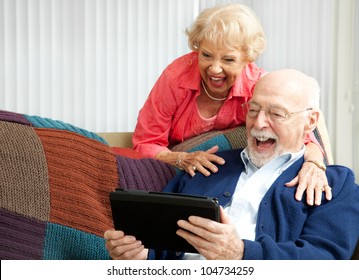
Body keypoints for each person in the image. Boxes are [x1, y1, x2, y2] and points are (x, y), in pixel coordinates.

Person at [105, 69, 359, 260]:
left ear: (310, 121)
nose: (259, 123)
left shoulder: (335, 184)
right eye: (253, 110)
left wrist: (241, 253)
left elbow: (326, 260)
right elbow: (159, 243)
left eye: (276, 114)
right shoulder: (208, 166)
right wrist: (139, 255)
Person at [131, 3, 331, 205]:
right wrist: (182, 159)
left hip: (226, 173)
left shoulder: (258, 84)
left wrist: (315, 163)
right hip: (179, 167)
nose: (214, 69)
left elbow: (303, 135)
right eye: (206, 55)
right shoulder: (175, 78)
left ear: (247, 59)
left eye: (228, 59)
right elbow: (145, 143)